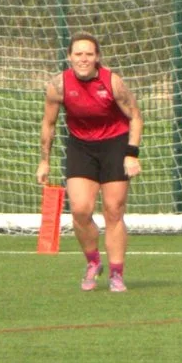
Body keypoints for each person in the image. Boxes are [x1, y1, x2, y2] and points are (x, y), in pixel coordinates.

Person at [37, 31, 145, 291]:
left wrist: (132, 154)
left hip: (115, 145)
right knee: (80, 210)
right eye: (78, 54)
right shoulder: (58, 85)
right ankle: (93, 262)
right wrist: (44, 161)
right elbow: (48, 124)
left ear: (97, 57)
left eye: (89, 54)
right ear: (69, 57)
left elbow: (136, 117)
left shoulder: (113, 82)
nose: (83, 59)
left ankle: (116, 274)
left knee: (113, 210)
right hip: (80, 147)